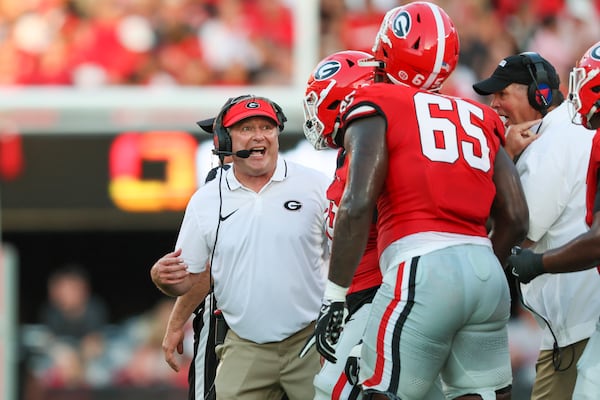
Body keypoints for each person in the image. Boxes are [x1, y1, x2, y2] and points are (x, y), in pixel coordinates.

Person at [312, 2, 529, 399]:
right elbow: (515, 217)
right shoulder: (480, 115)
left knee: (378, 391)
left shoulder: (379, 101)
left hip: (421, 264)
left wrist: (333, 298)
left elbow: (357, 204)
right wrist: (475, 264)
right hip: (486, 271)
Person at [151, 94, 330, 400]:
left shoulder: (316, 186)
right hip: (246, 342)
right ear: (224, 139)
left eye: (266, 127)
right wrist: (162, 280)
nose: (259, 135)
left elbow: (351, 257)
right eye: (246, 128)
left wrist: (339, 328)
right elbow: (195, 274)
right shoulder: (207, 199)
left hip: (310, 340)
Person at [473, 49, 599, 400]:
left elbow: (513, 228)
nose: (494, 104)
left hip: (576, 328)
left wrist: (505, 158)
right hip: (582, 320)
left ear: (538, 93)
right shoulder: (577, 131)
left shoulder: (548, 147)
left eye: (502, 94)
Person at [300, 49, 382, 400]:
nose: (313, 112)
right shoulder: (351, 150)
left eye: (319, 100)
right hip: (358, 296)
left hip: (379, 293)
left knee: (331, 390)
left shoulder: (376, 149)